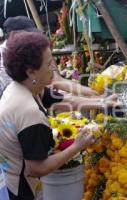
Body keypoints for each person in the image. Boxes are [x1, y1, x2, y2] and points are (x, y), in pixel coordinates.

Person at [0, 31, 117, 200]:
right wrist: (77, 146)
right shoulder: (29, 113)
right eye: (48, 64)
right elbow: (36, 168)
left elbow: (68, 100)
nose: (53, 68)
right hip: (19, 190)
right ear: (31, 72)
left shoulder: (22, 87)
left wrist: (104, 102)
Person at [0, 16, 98, 98]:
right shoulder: (6, 59)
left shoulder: (28, 52)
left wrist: (94, 93)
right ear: (15, 36)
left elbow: (56, 80)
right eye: (29, 35)